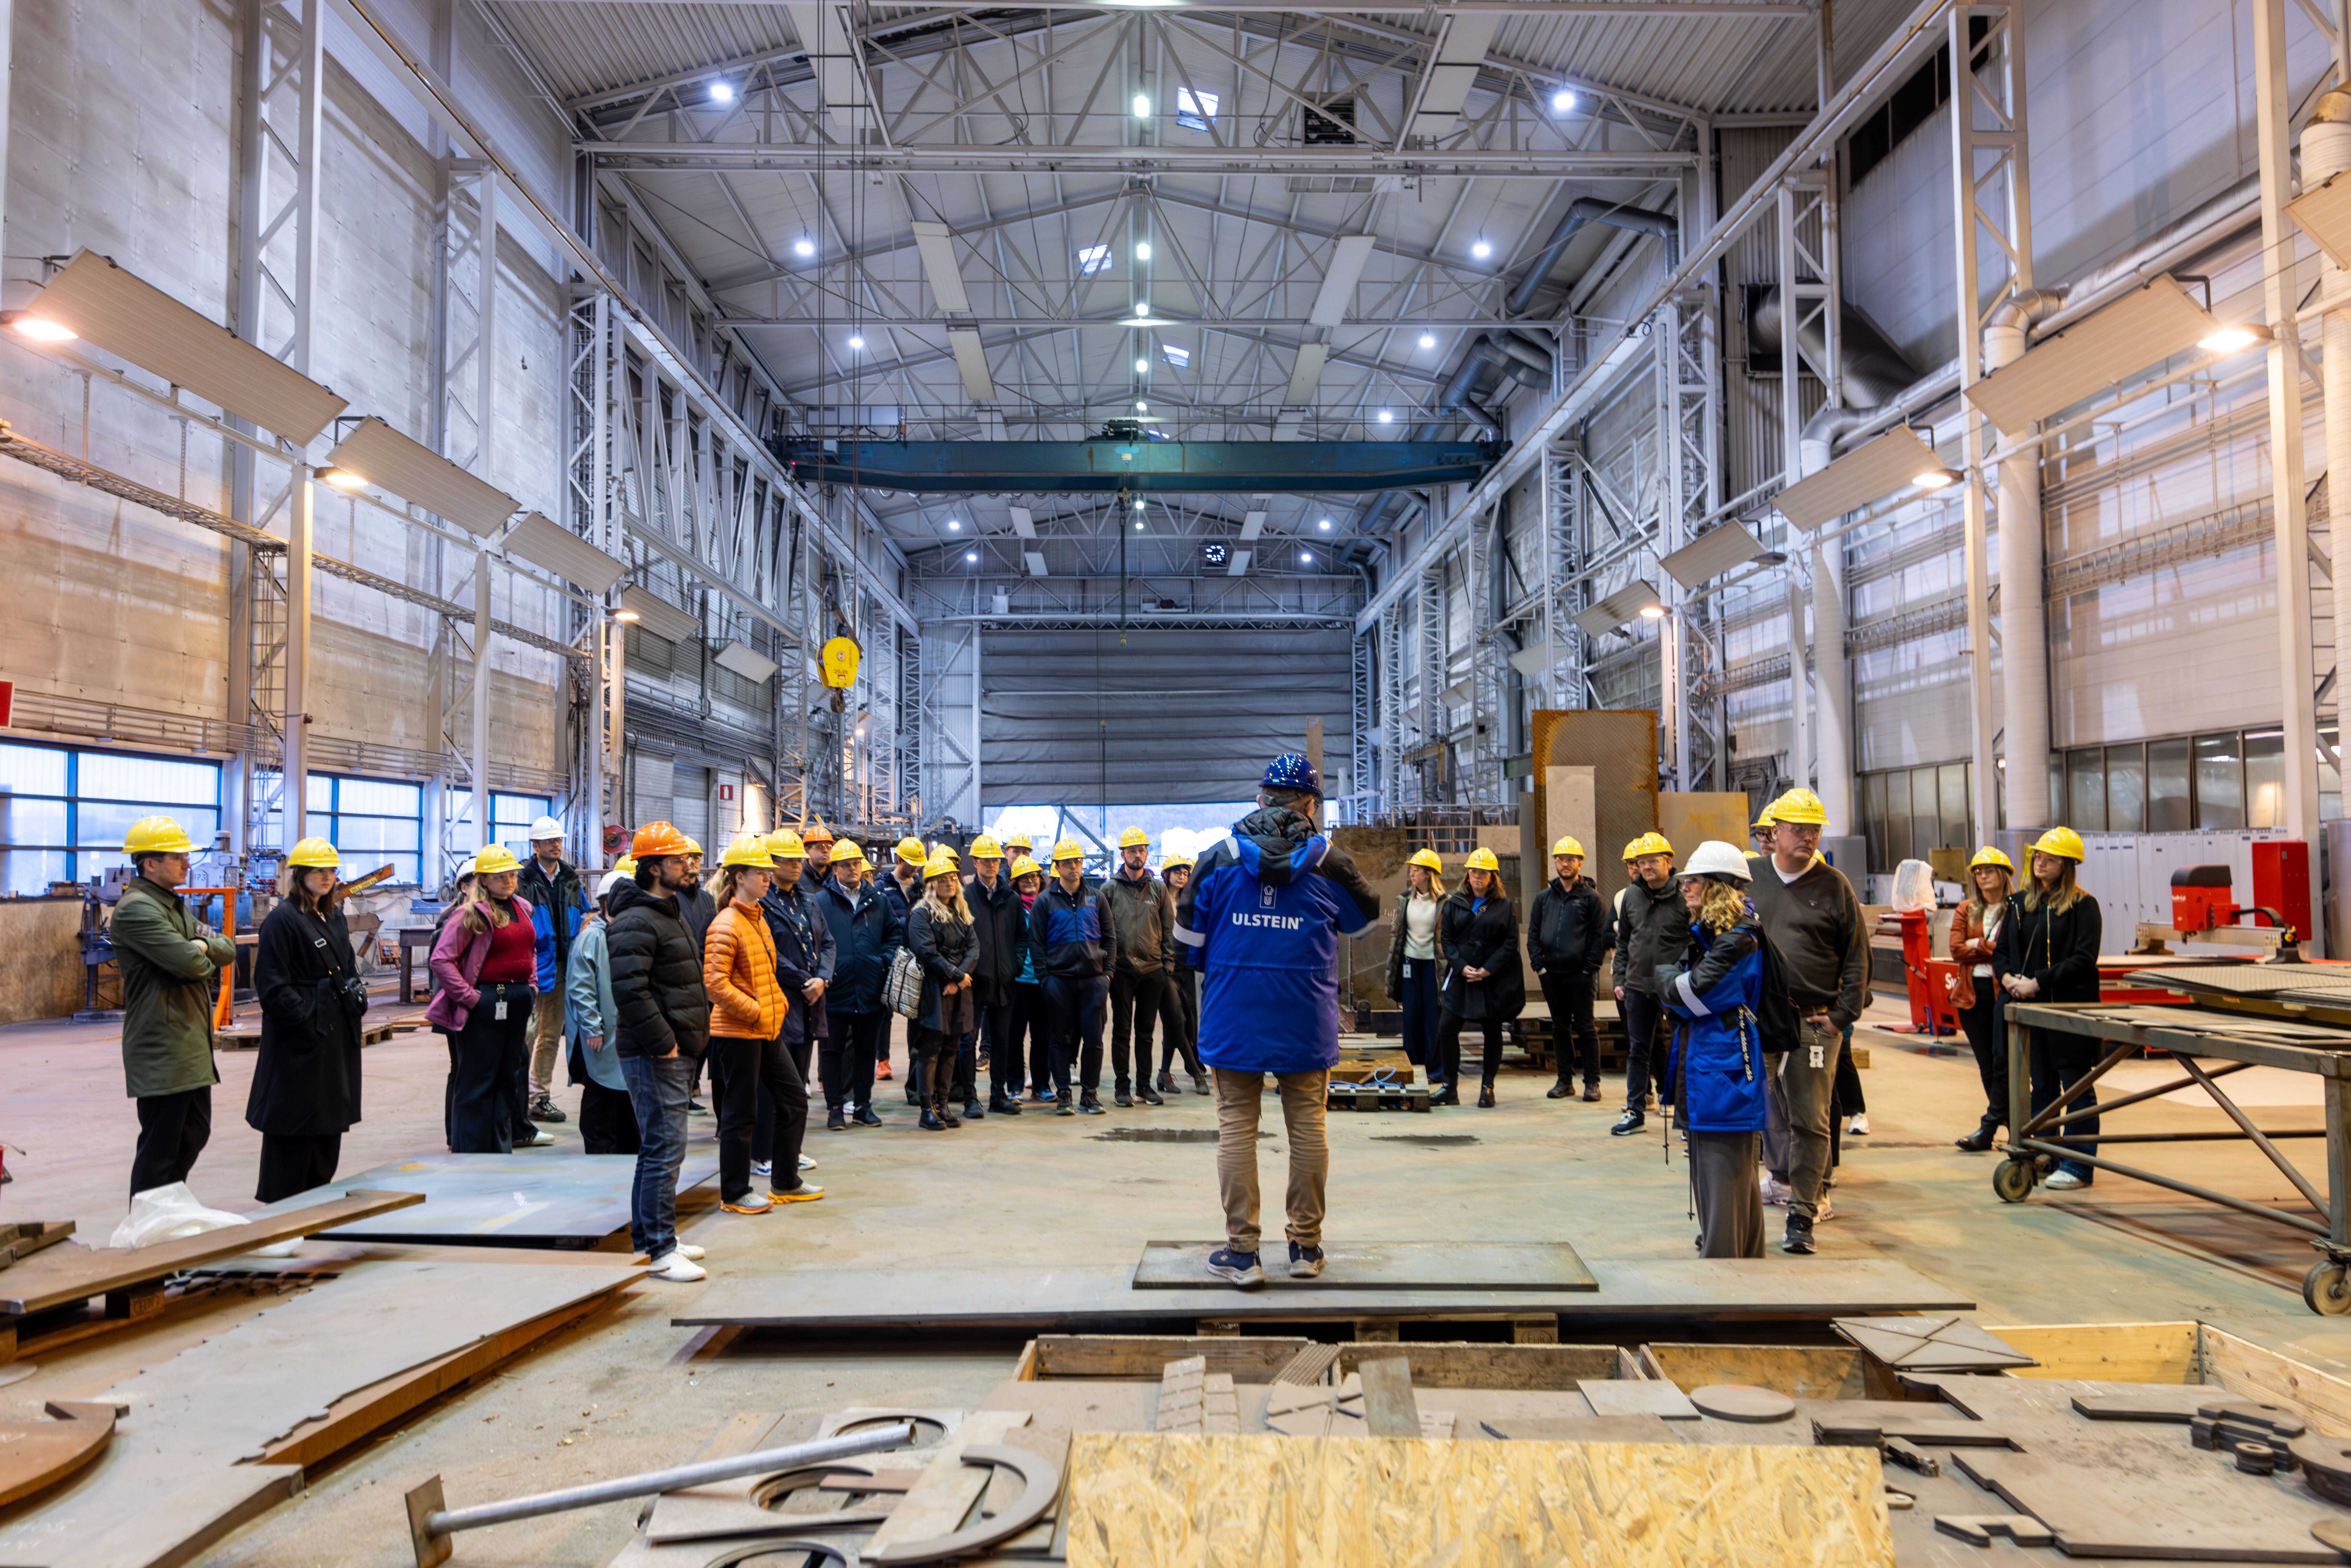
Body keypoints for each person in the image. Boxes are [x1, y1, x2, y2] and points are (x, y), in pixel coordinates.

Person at [1174, 753, 1381, 1287]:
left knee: (1236, 1131)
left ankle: (1242, 1255)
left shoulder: (1217, 858)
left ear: (1260, 797)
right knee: (1308, 1130)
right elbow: (1364, 919)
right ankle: (1305, 1248)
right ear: (1310, 804)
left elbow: (1187, 945)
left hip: (1233, 1016)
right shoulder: (1329, 863)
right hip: (1304, 1017)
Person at [1747, 788, 1869, 1255]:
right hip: (1756, 1020)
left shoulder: (1834, 884)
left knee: (1811, 1117)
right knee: (1756, 1110)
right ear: (1772, 833)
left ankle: (1802, 1210)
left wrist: (1840, 1017)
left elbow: (1857, 959)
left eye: (1814, 829)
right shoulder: (1749, 877)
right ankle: (1758, 1191)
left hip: (1811, 1022)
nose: (1807, 836)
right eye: (1798, 829)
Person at [607, 822, 713, 1280]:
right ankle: (657, 1249)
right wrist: (665, 1043)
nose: (689, 866)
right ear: (653, 867)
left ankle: (657, 1236)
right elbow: (630, 992)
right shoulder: (636, 919)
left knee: (664, 1148)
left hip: (674, 1050)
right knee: (663, 1148)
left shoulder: (666, 911)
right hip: (655, 1055)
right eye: (677, 860)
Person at [112, 816, 239, 1200]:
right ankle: (148, 1234)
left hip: (190, 1044)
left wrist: (199, 946)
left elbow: (227, 948)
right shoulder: (137, 910)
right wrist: (201, 949)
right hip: (163, 1046)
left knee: (193, 1135)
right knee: (160, 1149)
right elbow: (194, 964)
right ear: (149, 863)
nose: (188, 864)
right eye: (178, 857)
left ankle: (167, 1218)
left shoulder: (173, 907)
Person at [1656, 841, 1770, 1259]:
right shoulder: (1720, 936)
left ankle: (1725, 1266)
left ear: (1717, 886)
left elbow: (1693, 995)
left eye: (1692, 879)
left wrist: (1665, 978)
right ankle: (1739, 1253)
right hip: (1712, 1061)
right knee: (1715, 1168)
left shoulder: (1738, 939)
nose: (1684, 886)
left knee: (1722, 1171)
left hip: (1724, 1065)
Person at [247, 837, 368, 1202]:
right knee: (294, 1119)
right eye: (319, 870)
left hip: (335, 1033)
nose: (327, 877)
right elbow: (271, 986)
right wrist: (305, 1018)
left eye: (332, 870)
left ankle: (318, 1192)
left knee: (328, 1117)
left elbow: (347, 966)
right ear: (300, 875)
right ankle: (282, 1198)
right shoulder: (282, 921)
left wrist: (353, 997)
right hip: (300, 1040)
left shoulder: (333, 916)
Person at [706, 833, 818, 1212]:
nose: (768, 879)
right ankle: (735, 1193)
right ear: (738, 877)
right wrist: (755, 1010)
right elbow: (715, 985)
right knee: (741, 1114)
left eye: (769, 873)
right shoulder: (726, 924)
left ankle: (786, 1182)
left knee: (793, 1099)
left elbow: (767, 973)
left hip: (765, 1027)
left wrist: (778, 1004)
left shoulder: (757, 918)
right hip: (738, 1031)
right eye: (760, 873)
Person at [1997, 827, 2103, 1190]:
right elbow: (2002, 952)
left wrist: (2038, 981)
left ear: (2067, 866)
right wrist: (2008, 978)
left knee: (2076, 1088)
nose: (2040, 862)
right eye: (2037, 856)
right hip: (2028, 1008)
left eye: (2050, 859)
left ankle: (2079, 1165)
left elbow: (2084, 959)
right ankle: (2047, 1150)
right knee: (2041, 1085)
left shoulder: (2082, 906)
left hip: (2068, 1010)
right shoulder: (2021, 903)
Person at [426, 845, 546, 1154]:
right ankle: (472, 1151)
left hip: (518, 999)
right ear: (484, 880)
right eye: (501, 876)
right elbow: (442, 960)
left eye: (512, 875)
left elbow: (529, 950)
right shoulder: (469, 914)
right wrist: (470, 998)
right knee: (478, 1080)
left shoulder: (522, 908)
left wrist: (531, 986)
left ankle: (499, 1147)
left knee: (509, 1077)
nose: (509, 880)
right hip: (486, 1002)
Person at [756, 830, 832, 1177]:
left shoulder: (808, 900)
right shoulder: (763, 904)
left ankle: (791, 1150)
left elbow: (827, 943)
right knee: (773, 1084)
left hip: (810, 1002)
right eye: (788, 861)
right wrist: (807, 981)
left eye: (797, 860)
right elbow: (769, 953)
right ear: (771, 865)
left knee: (798, 1081)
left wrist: (823, 978)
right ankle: (764, 1153)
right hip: (780, 1001)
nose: (796, 866)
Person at [1436, 847, 1527, 1108]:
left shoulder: (1504, 906)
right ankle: (1449, 1087)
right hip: (1461, 977)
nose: (1477, 876)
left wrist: (1488, 969)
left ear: (1493, 877)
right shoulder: (1455, 903)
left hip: (1492, 979)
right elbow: (1447, 940)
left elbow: (1510, 943)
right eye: (1473, 871)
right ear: (1468, 874)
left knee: (1492, 1032)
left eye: (1483, 872)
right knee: (1448, 1027)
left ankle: (1487, 1087)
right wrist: (1462, 966)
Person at [817, 841, 898, 1129]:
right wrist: (825, 972)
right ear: (835, 869)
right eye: (846, 864)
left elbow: (893, 935)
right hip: (835, 989)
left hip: (870, 987)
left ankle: (863, 1106)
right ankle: (835, 1108)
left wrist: (883, 961)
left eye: (857, 863)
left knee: (866, 1050)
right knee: (832, 1051)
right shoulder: (821, 902)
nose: (853, 868)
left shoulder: (878, 899)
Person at [1032, 838, 1116, 1115]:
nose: (1074, 867)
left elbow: (1110, 938)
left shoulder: (1097, 897)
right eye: (1068, 863)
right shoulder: (1045, 901)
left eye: (1078, 861)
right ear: (1057, 867)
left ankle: (1090, 1094)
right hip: (1059, 981)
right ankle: (1065, 1094)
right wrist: (1045, 979)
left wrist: (1107, 975)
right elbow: (1037, 944)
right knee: (1060, 1039)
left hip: (1094, 981)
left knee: (1094, 1039)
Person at [1609, 833, 1685, 1137]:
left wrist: (1686, 977)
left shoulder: (1684, 894)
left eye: (1653, 860)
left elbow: (1694, 940)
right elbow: (1623, 942)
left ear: (1668, 861)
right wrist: (1619, 978)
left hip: (1675, 987)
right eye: (1642, 862)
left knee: (1683, 1049)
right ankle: (1635, 1110)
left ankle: (1685, 1115)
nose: (1647, 866)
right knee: (1638, 1050)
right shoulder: (1630, 896)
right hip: (1638, 985)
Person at [517, 816, 587, 1127]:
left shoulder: (570, 877)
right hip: (532, 967)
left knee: (550, 1034)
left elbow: (583, 913)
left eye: (559, 840)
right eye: (550, 841)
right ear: (536, 846)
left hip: (563, 965)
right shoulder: (522, 879)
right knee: (526, 1034)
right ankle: (516, 1098)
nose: (557, 845)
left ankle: (538, 1097)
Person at [1527, 835, 1608, 1103]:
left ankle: (1592, 1082)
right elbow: (1534, 933)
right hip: (1551, 975)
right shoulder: (1543, 899)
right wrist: (1539, 967)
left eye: (1570, 859)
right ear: (1555, 862)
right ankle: (1564, 1081)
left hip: (1580, 975)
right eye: (1561, 859)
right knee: (1559, 1028)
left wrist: (1589, 969)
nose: (1565, 863)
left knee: (1586, 1028)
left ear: (1580, 863)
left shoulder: (1592, 899)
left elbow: (1600, 937)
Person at [565, 869, 640, 1155]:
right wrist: (593, 1027)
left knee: (625, 1094)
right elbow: (581, 988)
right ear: (605, 903)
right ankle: (599, 1148)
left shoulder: (629, 934)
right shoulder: (592, 938)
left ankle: (626, 1148)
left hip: (625, 1031)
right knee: (601, 1094)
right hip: (602, 1033)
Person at [906, 849, 978, 1131]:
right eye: (942, 878)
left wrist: (960, 979)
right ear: (931, 883)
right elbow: (926, 952)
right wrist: (956, 975)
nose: (950, 882)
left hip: (958, 989)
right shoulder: (921, 913)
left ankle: (943, 1104)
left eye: (953, 877)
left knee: (951, 1047)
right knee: (931, 1049)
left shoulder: (961, 911)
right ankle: (927, 1110)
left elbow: (975, 947)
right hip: (932, 991)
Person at [1100, 827, 1172, 1108]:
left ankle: (1144, 1087)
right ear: (1123, 854)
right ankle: (1122, 1088)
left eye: (1141, 850)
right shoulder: (1109, 889)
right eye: (1132, 850)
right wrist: (1108, 966)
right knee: (1121, 1031)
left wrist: (1167, 965)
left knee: (1145, 1032)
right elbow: (1103, 931)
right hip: (1121, 970)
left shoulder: (1159, 889)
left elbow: (1168, 928)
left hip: (1152, 970)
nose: (1137, 855)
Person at [1949, 845, 2014, 1153]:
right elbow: (1956, 950)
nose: (1982, 876)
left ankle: (1997, 1126)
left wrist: (1979, 944)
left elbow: (2011, 951)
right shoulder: (1966, 909)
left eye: (1988, 870)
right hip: (1972, 996)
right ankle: (2010, 1124)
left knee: (2005, 1063)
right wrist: (1991, 948)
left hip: (2003, 993)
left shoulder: (2016, 907)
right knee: (1987, 1065)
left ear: (2003, 875)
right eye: (1978, 871)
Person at [963, 835, 1027, 1117]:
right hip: (974, 983)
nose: (991, 865)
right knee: (968, 1041)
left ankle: (998, 1095)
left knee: (1002, 1040)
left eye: (995, 860)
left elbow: (1021, 937)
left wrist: (1014, 965)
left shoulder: (1010, 898)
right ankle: (969, 1098)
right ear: (975, 862)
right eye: (985, 860)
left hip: (1004, 982)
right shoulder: (964, 898)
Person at [1385, 848, 1447, 1088]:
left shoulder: (1443, 903)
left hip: (1432, 967)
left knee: (1433, 1019)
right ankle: (1411, 1066)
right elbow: (1397, 935)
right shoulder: (1405, 901)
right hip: (1410, 965)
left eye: (1416, 870)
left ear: (1429, 874)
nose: (1412, 873)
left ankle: (1435, 1070)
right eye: (1411, 869)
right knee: (1411, 1018)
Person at [1154, 853, 1208, 1096]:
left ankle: (1164, 1073)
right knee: (1178, 1021)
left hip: (1186, 968)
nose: (1182, 876)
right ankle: (1196, 1072)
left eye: (1186, 872)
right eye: (1177, 871)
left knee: (1181, 1024)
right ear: (1166, 874)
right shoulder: (1157, 900)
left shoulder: (1191, 903)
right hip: (1166, 969)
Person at [1007, 855, 1055, 1103]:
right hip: (1018, 982)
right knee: (1014, 1036)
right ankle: (1014, 1085)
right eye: (1025, 878)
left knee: (1043, 1036)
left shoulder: (1047, 905)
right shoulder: (1010, 906)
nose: (1030, 881)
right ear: (1015, 882)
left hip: (1043, 981)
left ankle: (1041, 1086)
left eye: (1034, 877)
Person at [878, 837, 926, 1085]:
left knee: (915, 1013)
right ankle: (883, 1060)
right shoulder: (882, 886)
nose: (916, 868)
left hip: (916, 957)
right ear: (899, 860)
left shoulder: (920, 885)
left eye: (919, 864)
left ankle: (914, 1064)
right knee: (885, 1011)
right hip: (893, 956)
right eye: (912, 864)